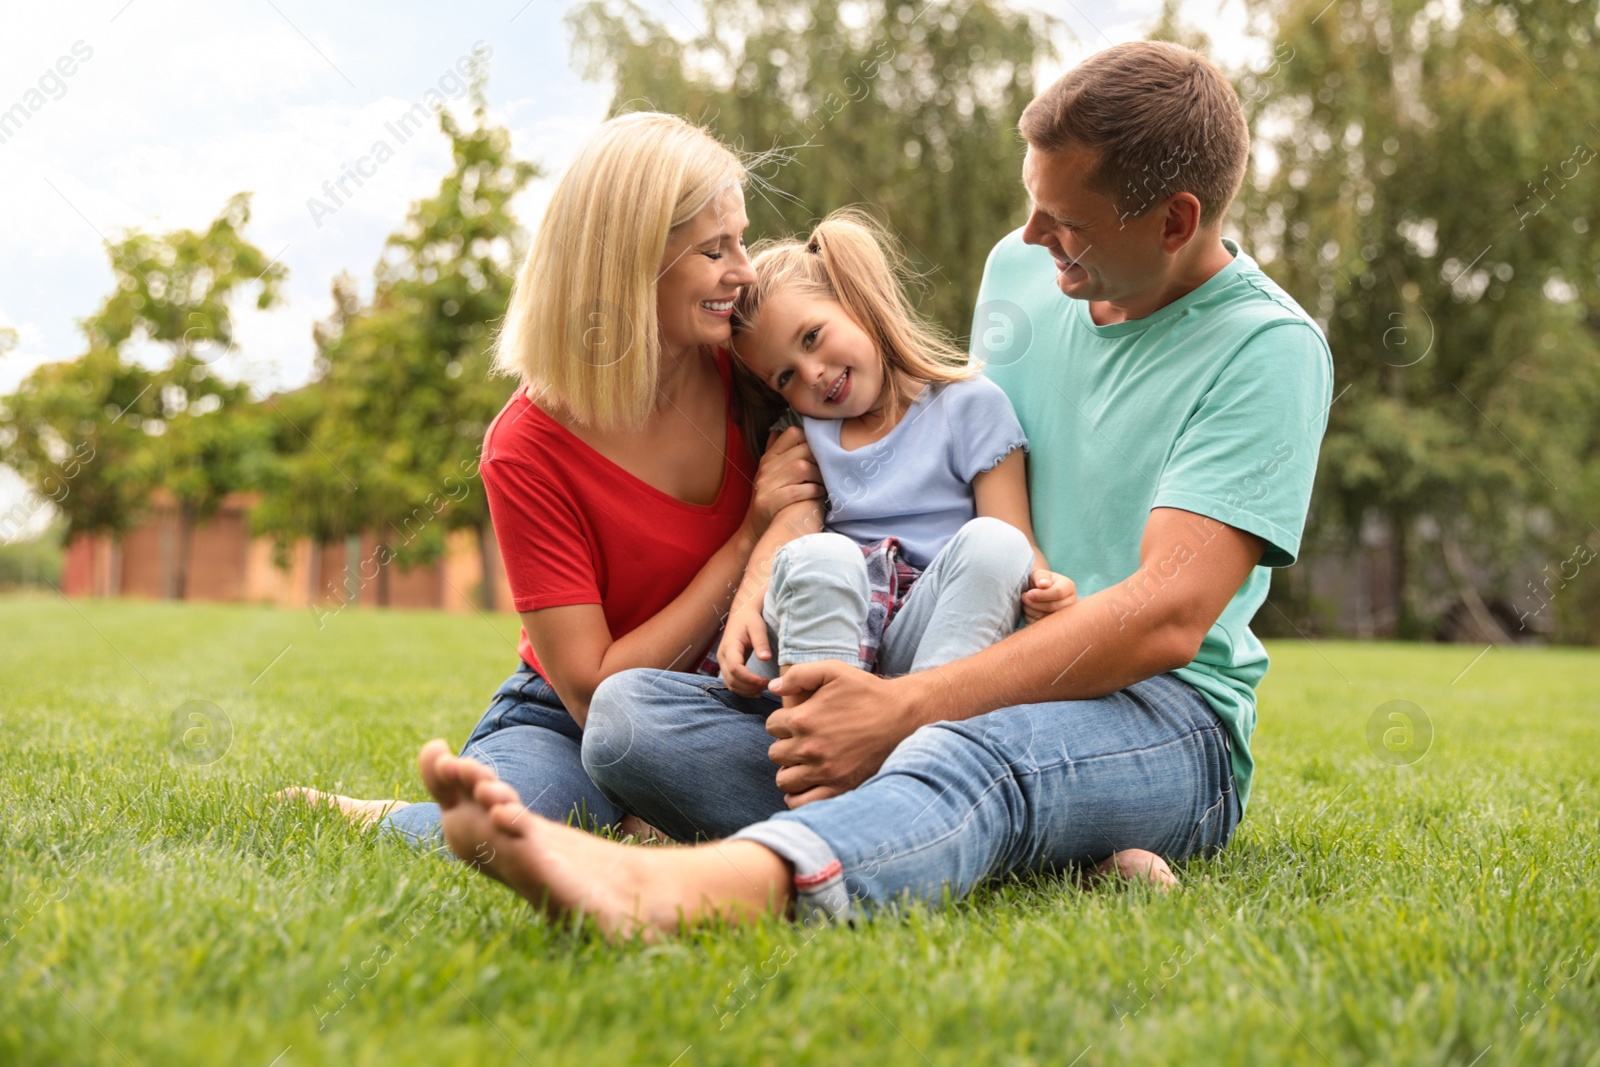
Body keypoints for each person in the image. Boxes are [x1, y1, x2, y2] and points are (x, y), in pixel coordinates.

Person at [413, 39, 1335, 939]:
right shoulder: (1025, 271)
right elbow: (842, 451)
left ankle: (689, 886)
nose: (1028, 237)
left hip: (1155, 709)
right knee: (626, 725)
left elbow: (1166, 617)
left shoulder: (1267, 351)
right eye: (1032, 206)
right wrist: (782, 553)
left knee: (970, 754)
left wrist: (905, 710)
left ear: (1174, 222)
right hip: (949, 648)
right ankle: (1034, 846)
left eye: (1067, 222)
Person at [279, 111, 822, 846]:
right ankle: (389, 820)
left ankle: (645, 812)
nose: (745, 272)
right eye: (714, 250)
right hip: (569, 717)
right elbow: (594, 689)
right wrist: (745, 540)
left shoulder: (748, 363)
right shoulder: (528, 445)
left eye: (743, 240)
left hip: (729, 694)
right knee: (513, 826)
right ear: (631, 264)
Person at [717, 209, 1077, 706]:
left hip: (924, 637)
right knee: (822, 554)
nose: (813, 375)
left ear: (856, 303)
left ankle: (921, 738)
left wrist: (1045, 585)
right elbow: (790, 529)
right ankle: (821, 733)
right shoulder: (805, 433)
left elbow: (1014, 535)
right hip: (822, 630)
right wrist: (744, 602)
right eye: (785, 378)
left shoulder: (970, 405)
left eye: (812, 338)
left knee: (997, 544)